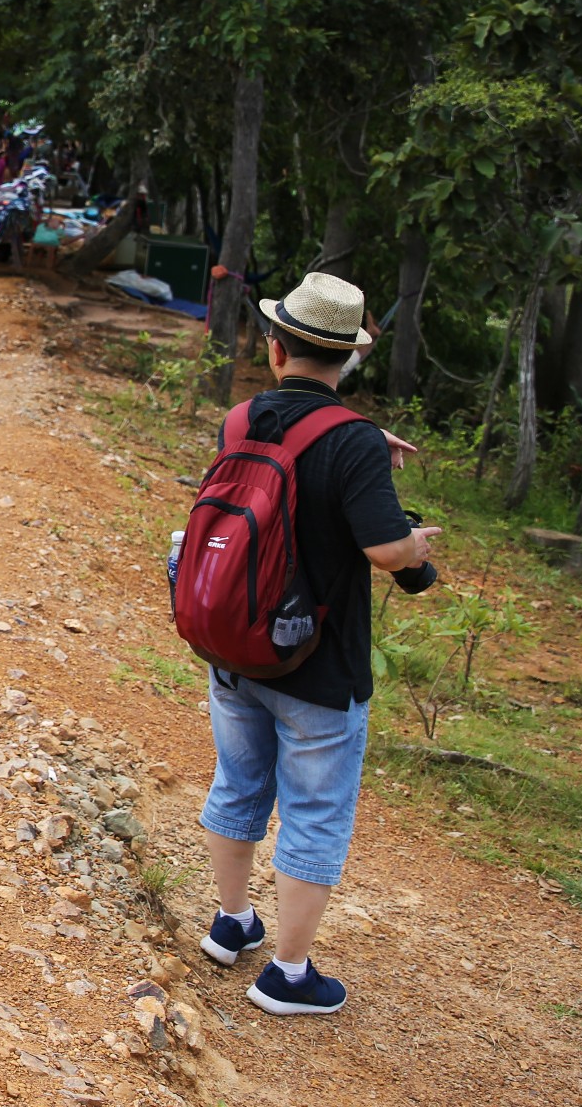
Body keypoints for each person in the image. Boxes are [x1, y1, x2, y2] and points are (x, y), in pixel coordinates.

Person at [194, 272, 441, 1017]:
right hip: (319, 668)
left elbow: (293, 453)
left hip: (236, 646)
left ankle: (232, 922)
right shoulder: (355, 443)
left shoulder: (239, 419)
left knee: (238, 785)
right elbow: (384, 550)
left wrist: (363, 441)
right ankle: (289, 976)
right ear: (349, 361)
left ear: (275, 351)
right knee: (315, 812)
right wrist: (417, 548)